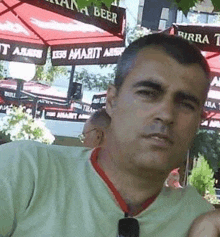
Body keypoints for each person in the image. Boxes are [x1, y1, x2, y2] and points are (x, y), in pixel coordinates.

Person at [0, 33, 214, 237]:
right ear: (112, 101)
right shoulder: (26, 170)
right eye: (148, 93)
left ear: (198, 123)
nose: (166, 114)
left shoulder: (200, 219)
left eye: (186, 104)